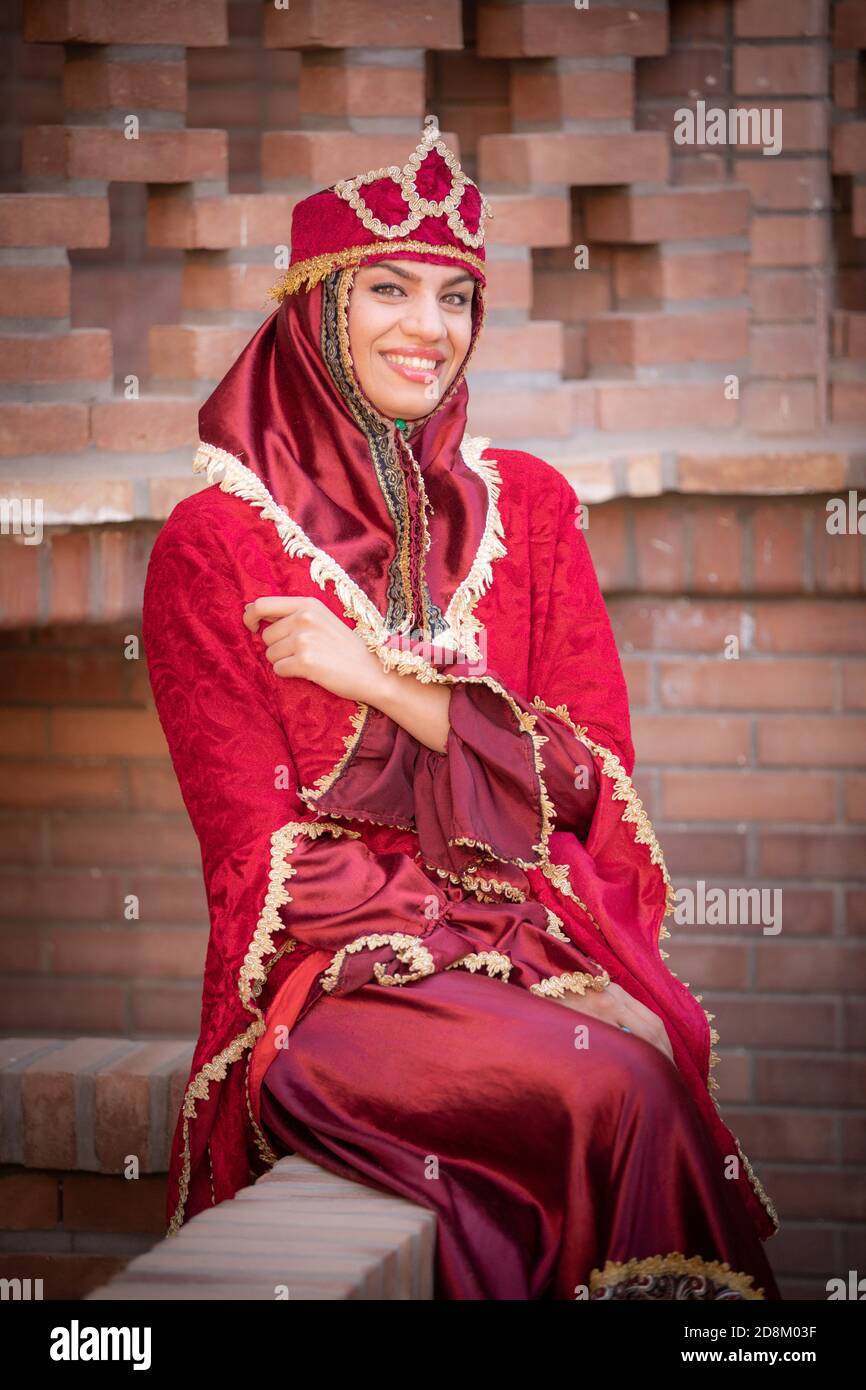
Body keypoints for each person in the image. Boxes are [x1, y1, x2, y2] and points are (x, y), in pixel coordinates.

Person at [142, 120, 782, 1300]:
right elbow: (262, 868)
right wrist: (479, 942)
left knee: (649, 1050)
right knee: (616, 1083)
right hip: (332, 991)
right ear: (313, 309)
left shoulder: (530, 506)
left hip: (530, 946)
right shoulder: (215, 544)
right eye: (386, 288)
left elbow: (592, 783)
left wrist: (386, 685)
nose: (426, 331)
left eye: (454, 297)